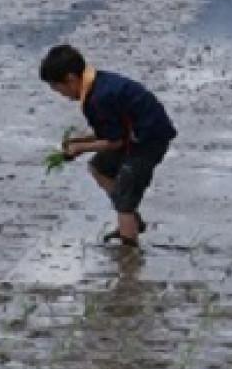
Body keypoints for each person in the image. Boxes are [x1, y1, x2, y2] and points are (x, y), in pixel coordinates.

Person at [39, 44, 177, 248]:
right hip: (131, 135)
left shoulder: (98, 98)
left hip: (147, 142)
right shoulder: (96, 82)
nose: (62, 95)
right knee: (100, 167)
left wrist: (80, 149)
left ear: (70, 79)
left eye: (58, 89)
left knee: (125, 197)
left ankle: (129, 252)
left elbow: (115, 141)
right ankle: (131, 219)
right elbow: (111, 131)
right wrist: (80, 140)